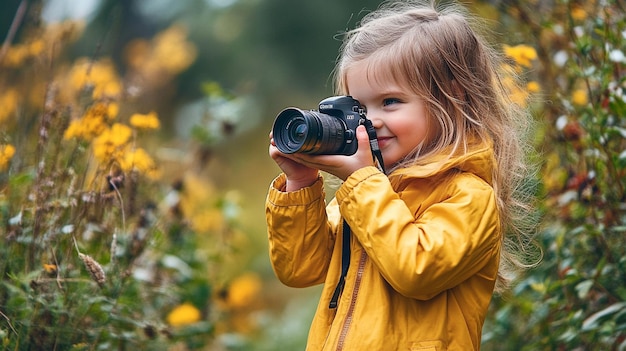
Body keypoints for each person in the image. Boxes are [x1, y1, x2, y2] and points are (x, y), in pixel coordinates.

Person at [265, 0, 537, 349]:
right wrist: (301, 183)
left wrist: (363, 182)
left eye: (390, 101)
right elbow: (300, 270)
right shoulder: (369, 190)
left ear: (452, 99)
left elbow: (416, 270)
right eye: (358, 107)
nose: (371, 120)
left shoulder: (467, 195)